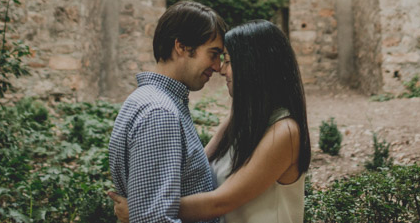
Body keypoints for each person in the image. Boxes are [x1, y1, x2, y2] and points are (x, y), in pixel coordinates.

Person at [112, 19, 311, 223]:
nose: (222, 70)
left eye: (229, 61)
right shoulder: (240, 119)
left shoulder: (284, 132)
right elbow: (200, 164)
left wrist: (143, 208)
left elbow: (220, 202)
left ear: (255, 66)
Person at [108, 0, 228, 223]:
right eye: (213, 54)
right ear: (181, 46)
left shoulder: (146, 100)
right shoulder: (159, 113)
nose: (217, 66)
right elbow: (153, 220)